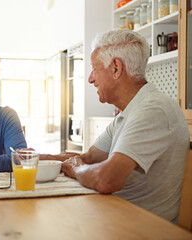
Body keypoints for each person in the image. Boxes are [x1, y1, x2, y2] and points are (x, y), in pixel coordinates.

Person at [61, 29, 189, 223]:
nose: (90, 78)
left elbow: (106, 179)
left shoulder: (153, 110)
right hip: (115, 217)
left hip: (141, 230)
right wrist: (36, 158)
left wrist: (75, 168)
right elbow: (88, 157)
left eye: (94, 68)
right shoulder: (130, 111)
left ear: (115, 68)